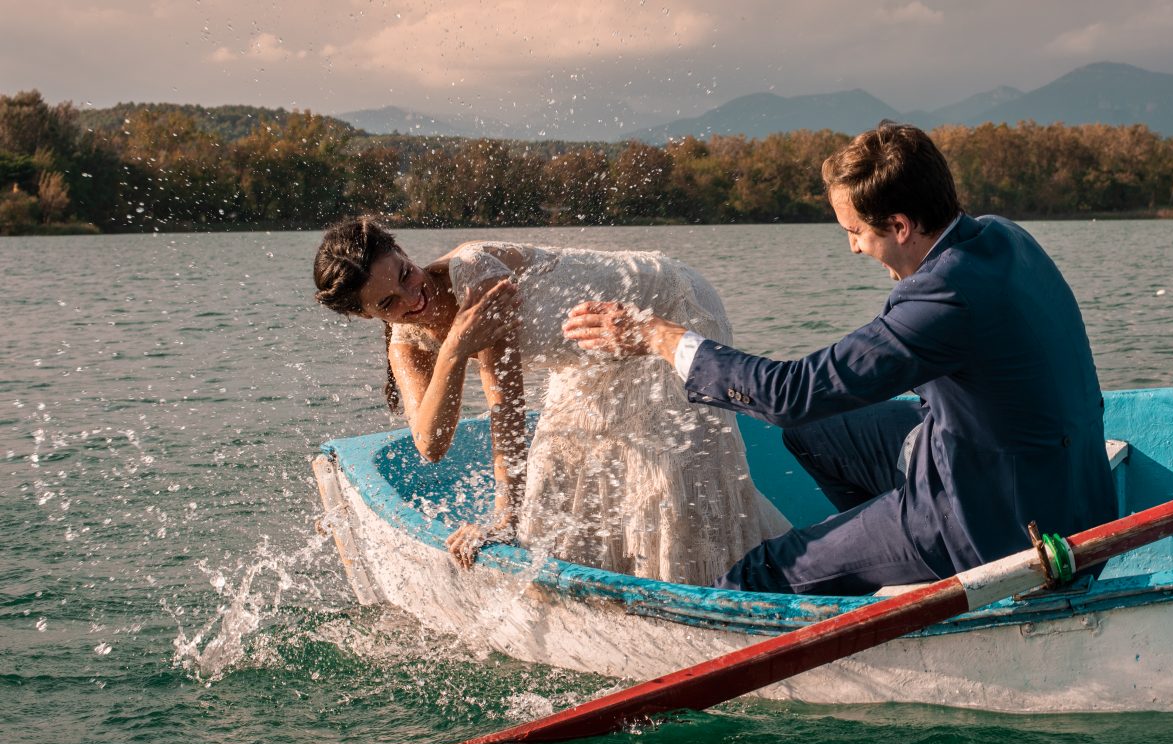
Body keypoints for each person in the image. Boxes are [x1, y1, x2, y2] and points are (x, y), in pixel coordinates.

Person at [564, 121, 1118, 595]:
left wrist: (659, 337)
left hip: (1002, 528)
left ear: (900, 226)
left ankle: (911, 549)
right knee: (814, 433)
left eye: (855, 232)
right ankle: (875, 555)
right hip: (1066, 489)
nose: (853, 247)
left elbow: (790, 394)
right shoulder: (1003, 236)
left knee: (761, 571)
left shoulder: (946, 299)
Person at [312, 218, 789, 584]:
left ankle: (723, 588)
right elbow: (430, 443)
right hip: (590, 355)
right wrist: (455, 346)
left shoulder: (476, 274)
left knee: (668, 480)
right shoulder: (406, 342)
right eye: (388, 303)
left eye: (405, 274)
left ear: (404, 252)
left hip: (664, 308)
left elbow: (506, 407)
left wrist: (503, 520)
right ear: (366, 316)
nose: (411, 298)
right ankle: (608, 597)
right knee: (559, 476)